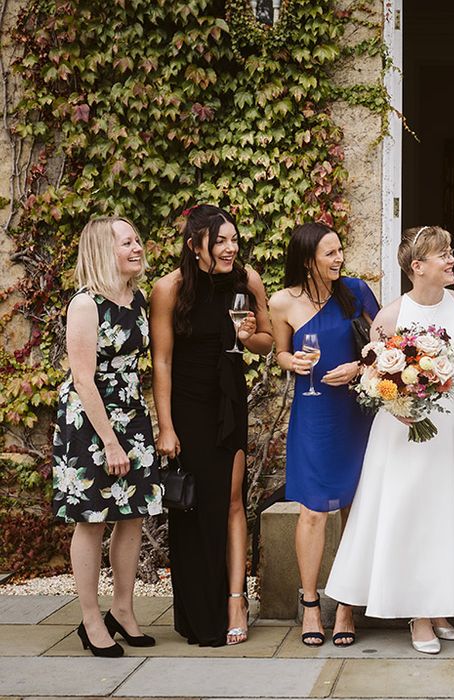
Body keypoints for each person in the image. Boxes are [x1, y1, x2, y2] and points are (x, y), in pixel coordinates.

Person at [325, 226, 454, 654]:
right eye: (444, 255)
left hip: (452, 424)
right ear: (418, 267)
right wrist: (402, 409)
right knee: (411, 514)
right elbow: (376, 381)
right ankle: (419, 615)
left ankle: (440, 605)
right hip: (405, 430)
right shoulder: (390, 317)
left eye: (451, 251)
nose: (453, 260)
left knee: (446, 514)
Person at [150, 204, 273, 647]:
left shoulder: (247, 281)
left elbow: (265, 343)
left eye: (234, 239)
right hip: (186, 403)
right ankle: (197, 610)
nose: (230, 247)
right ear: (194, 245)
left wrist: (249, 337)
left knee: (232, 500)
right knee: (192, 506)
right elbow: (161, 361)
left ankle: (236, 600)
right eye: (219, 241)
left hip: (228, 400)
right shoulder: (169, 289)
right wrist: (165, 426)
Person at [52, 217, 163, 657]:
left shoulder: (136, 299)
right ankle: (91, 619)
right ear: (103, 250)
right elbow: (82, 378)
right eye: (127, 242)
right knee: (92, 518)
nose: (137, 247)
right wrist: (111, 441)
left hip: (131, 412)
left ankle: (123, 610)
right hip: (91, 420)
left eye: (137, 239)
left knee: (133, 515)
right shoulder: (85, 304)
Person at [268, 222, 379, 647]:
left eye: (340, 251)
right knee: (313, 509)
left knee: (354, 505)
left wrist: (359, 367)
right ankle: (311, 604)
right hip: (314, 412)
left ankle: (347, 605)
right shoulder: (281, 302)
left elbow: (385, 343)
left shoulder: (356, 290)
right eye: (329, 253)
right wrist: (290, 362)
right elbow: (280, 351)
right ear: (307, 257)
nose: (339, 259)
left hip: (357, 408)